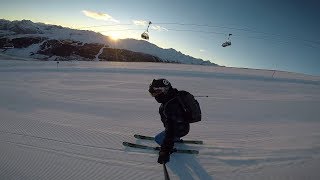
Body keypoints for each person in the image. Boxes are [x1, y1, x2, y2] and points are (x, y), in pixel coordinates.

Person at [148, 79, 190, 164]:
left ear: (164, 90)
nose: (155, 96)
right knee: (170, 132)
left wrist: (165, 151)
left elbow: (171, 130)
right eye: (152, 94)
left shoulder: (170, 106)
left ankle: (173, 142)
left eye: (156, 93)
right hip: (183, 127)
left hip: (179, 130)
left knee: (158, 139)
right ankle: (176, 139)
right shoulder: (172, 98)